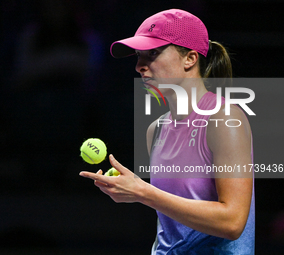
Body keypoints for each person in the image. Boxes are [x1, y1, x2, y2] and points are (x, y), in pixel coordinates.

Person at [79, 9, 255, 254]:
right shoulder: (156, 129)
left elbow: (233, 222)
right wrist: (137, 193)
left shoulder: (224, 117)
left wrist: (143, 192)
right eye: (139, 56)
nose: (140, 66)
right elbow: (171, 229)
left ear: (190, 58)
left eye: (152, 53)